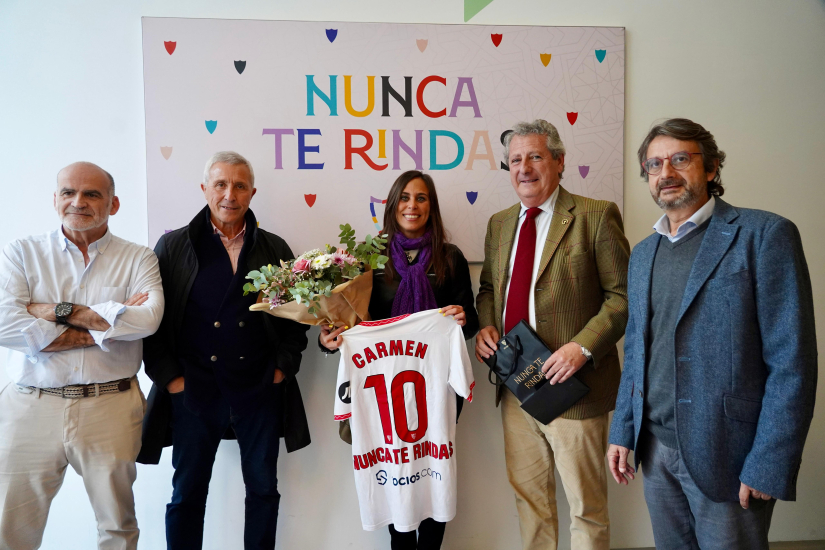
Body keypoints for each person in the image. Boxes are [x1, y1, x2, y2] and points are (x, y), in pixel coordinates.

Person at [607, 118, 817, 550]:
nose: (665, 173)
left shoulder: (764, 235)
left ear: (712, 168)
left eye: (680, 159)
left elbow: (792, 362)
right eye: (654, 164)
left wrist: (768, 462)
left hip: (729, 452)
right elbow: (636, 348)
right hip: (656, 450)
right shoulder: (643, 253)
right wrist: (622, 431)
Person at [138, 151, 311, 550]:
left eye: (239, 185)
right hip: (194, 390)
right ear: (205, 189)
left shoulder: (274, 246)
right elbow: (154, 323)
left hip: (259, 388)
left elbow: (295, 319)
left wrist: (282, 369)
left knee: (265, 489)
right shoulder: (173, 245)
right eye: (220, 184)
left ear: (252, 192)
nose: (229, 194)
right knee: (187, 494)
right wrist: (171, 380)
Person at [475, 120, 630, 550]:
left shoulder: (596, 215)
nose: (524, 168)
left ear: (559, 162)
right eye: (515, 160)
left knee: (587, 509)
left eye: (535, 156)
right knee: (531, 503)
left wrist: (582, 348)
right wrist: (486, 323)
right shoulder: (500, 223)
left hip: (574, 389)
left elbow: (623, 298)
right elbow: (489, 289)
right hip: (516, 388)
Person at [0, 162, 164, 550]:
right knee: (11, 527)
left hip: (110, 404)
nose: (79, 202)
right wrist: (108, 320)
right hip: (30, 407)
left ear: (114, 203)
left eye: (92, 194)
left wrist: (47, 310)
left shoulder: (140, 258)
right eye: (68, 193)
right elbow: (5, 326)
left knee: (118, 527)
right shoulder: (22, 253)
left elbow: (148, 320)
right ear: (55, 199)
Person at [320, 170, 479, 550]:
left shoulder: (450, 257)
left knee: (433, 468)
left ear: (431, 206)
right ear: (392, 205)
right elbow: (349, 322)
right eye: (405, 197)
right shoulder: (366, 259)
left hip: (436, 385)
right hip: (385, 390)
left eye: (421, 198)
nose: (412, 205)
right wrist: (329, 341)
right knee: (395, 471)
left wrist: (461, 317)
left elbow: (470, 321)